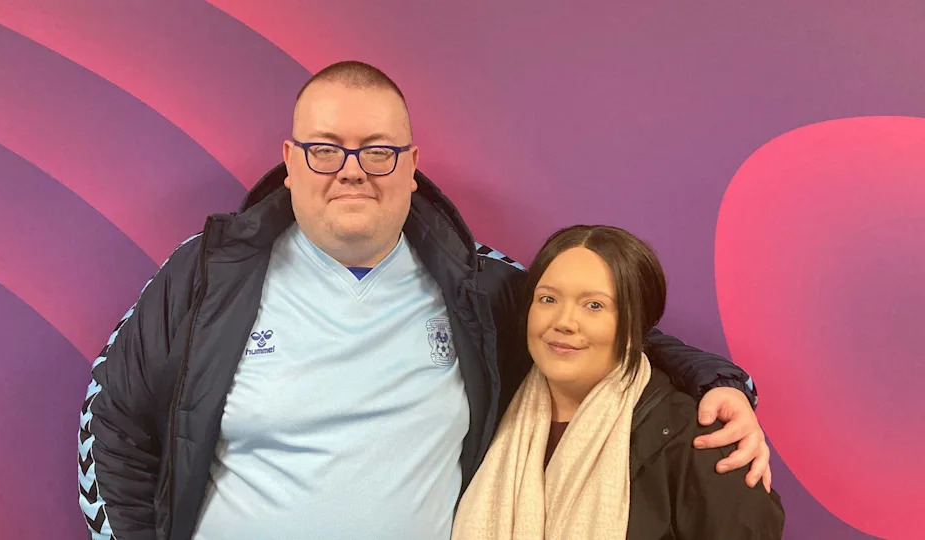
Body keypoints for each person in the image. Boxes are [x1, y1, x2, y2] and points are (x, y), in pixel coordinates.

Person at [77, 61, 771, 540]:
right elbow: (110, 423)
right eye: (326, 150)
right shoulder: (206, 275)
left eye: (378, 151)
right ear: (290, 161)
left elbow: (586, 326)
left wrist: (717, 380)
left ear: (411, 165)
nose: (352, 171)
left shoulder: (475, 281)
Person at [452, 225, 785, 539]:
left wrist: (725, 383)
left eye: (594, 305)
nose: (564, 322)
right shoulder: (490, 407)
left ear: (634, 323)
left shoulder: (698, 439)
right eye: (548, 299)